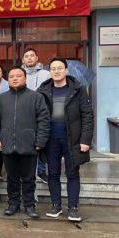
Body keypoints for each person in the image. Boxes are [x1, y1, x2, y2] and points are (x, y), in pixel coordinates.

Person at [38, 57, 94, 222]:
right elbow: (38, 115)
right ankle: (56, 205)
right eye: (53, 69)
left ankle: (73, 208)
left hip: (73, 139)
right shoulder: (43, 90)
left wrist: (86, 140)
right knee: (53, 173)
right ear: (50, 72)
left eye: (60, 68)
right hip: (51, 139)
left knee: (72, 173)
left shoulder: (77, 90)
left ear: (66, 70)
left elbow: (87, 116)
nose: (56, 71)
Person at [0, 66, 50, 219]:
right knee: (11, 178)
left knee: (29, 178)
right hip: (8, 144)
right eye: (11, 76)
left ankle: (29, 204)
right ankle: (13, 204)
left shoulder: (36, 97)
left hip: (29, 144)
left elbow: (44, 120)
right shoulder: (1, 98)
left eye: (18, 76)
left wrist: (40, 141)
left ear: (25, 78)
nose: (15, 79)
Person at [22, 48, 51, 184]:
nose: (29, 58)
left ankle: (41, 170)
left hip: (41, 112)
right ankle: (26, 170)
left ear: (37, 58)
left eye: (32, 55)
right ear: (23, 59)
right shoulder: (20, 74)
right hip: (24, 114)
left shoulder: (46, 74)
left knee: (41, 142)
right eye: (26, 56)